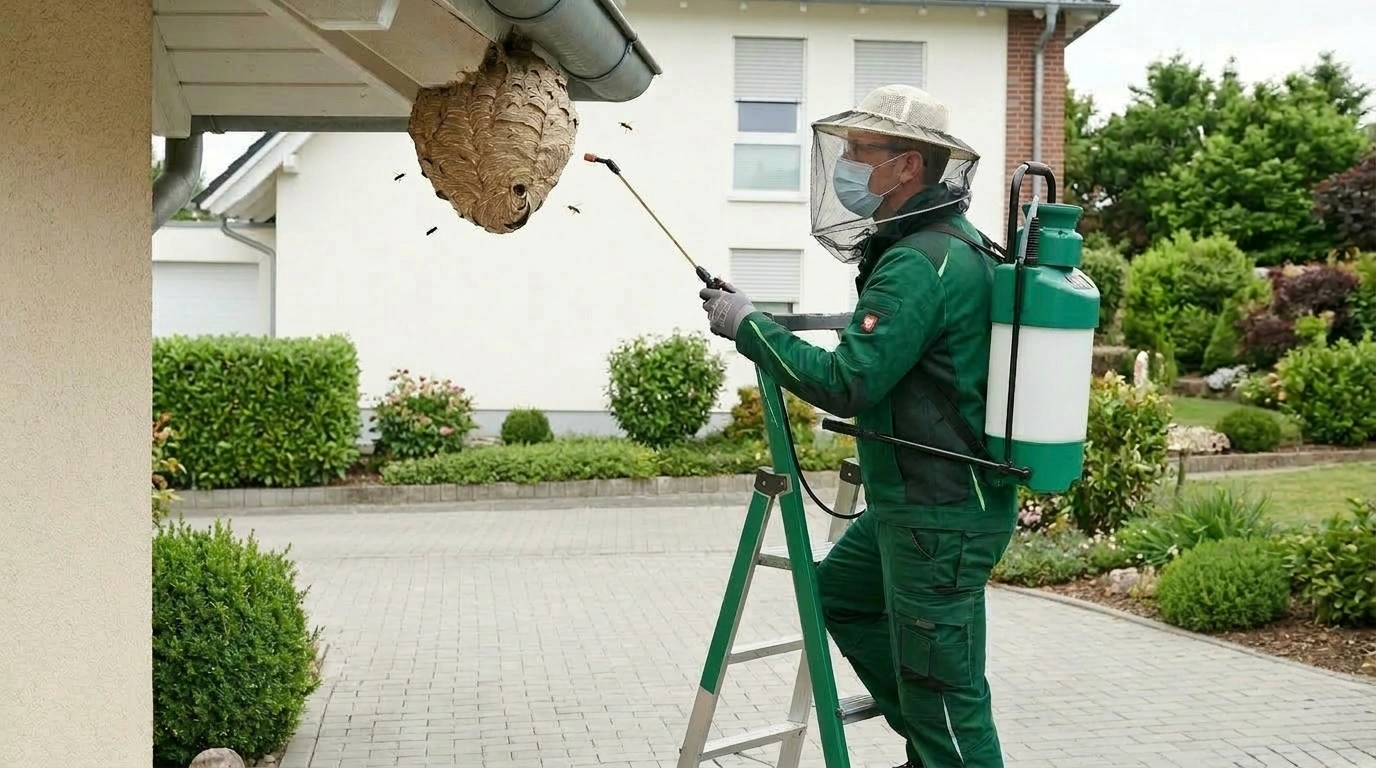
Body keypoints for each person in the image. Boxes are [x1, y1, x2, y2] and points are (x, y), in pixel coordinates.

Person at [697, 84, 1018, 768]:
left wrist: (749, 327)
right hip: (927, 505)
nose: (846, 162)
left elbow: (848, 384)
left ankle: (939, 744)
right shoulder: (954, 247)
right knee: (839, 593)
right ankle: (931, 746)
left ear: (908, 166)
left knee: (949, 697)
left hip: (939, 514)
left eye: (861, 150)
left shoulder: (918, 262)